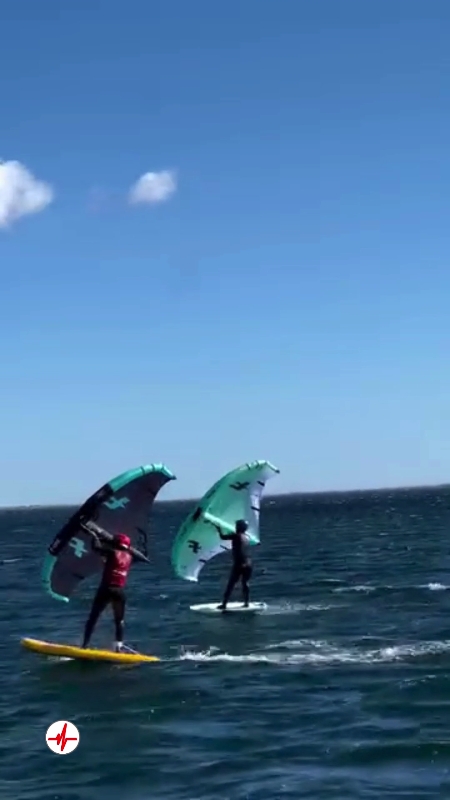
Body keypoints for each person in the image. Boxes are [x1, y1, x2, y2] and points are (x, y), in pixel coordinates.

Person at [81, 529, 149, 652]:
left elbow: (95, 547)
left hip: (106, 589)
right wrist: (143, 542)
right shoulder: (130, 557)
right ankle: (118, 647)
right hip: (119, 592)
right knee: (119, 620)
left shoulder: (112, 552)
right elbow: (142, 555)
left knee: (93, 618)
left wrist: (94, 535)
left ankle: (84, 646)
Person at [217, 519, 253, 610]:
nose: (235, 527)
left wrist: (218, 528)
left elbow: (222, 537)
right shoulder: (248, 537)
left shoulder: (236, 536)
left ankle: (224, 604)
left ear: (239, 527)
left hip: (239, 564)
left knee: (231, 584)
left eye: (237, 526)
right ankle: (246, 603)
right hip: (248, 563)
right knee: (245, 583)